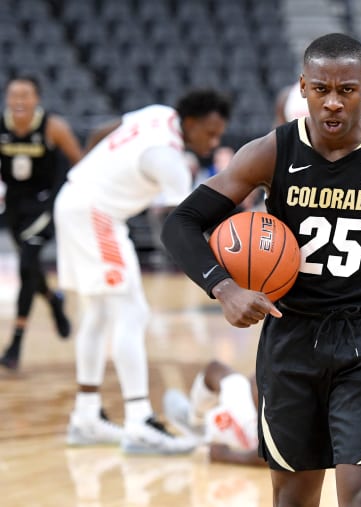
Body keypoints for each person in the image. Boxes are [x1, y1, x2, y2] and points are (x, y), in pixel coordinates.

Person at [161, 33, 361, 506]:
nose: (332, 103)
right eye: (320, 89)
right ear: (302, 88)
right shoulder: (272, 150)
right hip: (292, 337)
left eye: (345, 90)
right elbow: (181, 224)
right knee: (291, 499)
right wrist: (224, 288)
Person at [54, 89, 232, 454]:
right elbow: (179, 226)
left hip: (73, 199)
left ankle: (86, 415)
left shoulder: (157, 113)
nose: (214, 142)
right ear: (192, 124)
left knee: (100, 314)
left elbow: (99, 132)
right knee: (131, 312)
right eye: (210, 134)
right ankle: (139, 421)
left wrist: (95, 171)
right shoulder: (169, 160)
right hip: (95, 213)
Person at [0, 75, 83, 370]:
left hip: (45, 205)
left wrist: (71, 198)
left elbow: (80, 161)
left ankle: (15, 344)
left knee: (25, 266)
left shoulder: (53, 127)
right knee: (32, 268)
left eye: (26, 95)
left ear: (37, 99)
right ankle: (53, 301)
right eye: (14, 95)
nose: (19, 101)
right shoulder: (2, 126)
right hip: (14, 207)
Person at [163, 360, 265, 467]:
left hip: (257, 433)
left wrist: (226, 455)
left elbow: (272, 455)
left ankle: (199, 427)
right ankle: (196, 420)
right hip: (255, 417)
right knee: (215, 369)